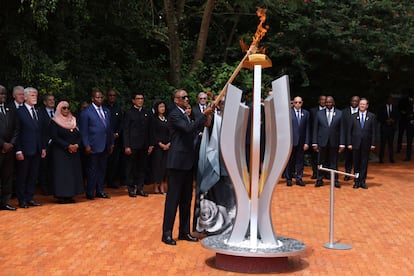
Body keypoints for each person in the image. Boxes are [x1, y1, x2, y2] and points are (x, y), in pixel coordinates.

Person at [161, 89, 213, 246]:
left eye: (187, 96)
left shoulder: (186, 115)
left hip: (188, 162)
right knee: (173, 199)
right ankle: (167, 233)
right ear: (176, 100)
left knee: (186, 200)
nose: (186, 99)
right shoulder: (174, 114)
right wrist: (203, 115)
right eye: (183, 97)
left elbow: (202, 125)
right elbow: (188, 129)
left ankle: (184, 231)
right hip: (177, 163)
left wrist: (208, 113)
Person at [193, 99, 235, 235]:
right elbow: (207, 123)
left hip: (229, 164)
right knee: (211, 193)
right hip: (214, 163)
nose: (224, 107)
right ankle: (209, 227)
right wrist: (209, 113)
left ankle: (227, 226)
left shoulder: (234, 120)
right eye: (222, 104)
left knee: (227, 196)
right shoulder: (215, 119)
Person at [15, 87, 47, 208]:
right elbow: (17, 132)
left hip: (37, 149)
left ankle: (30, 197)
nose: (35, 97)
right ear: (25, 96)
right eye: (32, 95)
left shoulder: (38, 111)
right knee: (23, 175)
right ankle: (21, 199)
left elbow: (42, 132)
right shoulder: (19, 111)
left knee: (33, 175)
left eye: (36, 95)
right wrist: (18, 150)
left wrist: (43, 148)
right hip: (24, 149)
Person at [79, 89, 114, 200]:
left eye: (101, 97)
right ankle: (90, 191)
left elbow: (109, 129)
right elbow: (83, 131)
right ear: (93, 98)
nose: (99, 99)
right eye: (97, 97)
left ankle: (100, 190)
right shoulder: (86, 112)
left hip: (105, 144)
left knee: (102, 169)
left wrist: (111, 142)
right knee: (92, 170)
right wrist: (86, 145)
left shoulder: (106, 111)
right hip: (93, 145)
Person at [49, 101, 84, 203]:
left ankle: (70, 195)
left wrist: (77, 145)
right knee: (62, 174)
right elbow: (54, 136)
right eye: (64, 108)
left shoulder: (73, 120)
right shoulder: (54, 121)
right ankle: (61, 196)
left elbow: (79, 134)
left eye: (68, 108)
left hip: (74, 152)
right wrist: (67, 146)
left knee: (72, 173)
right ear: (59, 109)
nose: (66, 110)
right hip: (60, 152)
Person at [123, 92, 153, 197]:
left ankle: (140, 188)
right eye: (138, 98)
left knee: (142, 167)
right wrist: (127, 145)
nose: (140, 100)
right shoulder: (129, 113)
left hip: (144, 145)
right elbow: (126, 130)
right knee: (131, 167)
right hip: (132, 145)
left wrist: (150, 145)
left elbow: (150, 130)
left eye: (142, 98)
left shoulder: (147, 113)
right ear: (133, 100)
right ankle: (131, 188)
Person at [312, 96, 345, 188]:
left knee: (333, 162)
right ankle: (319, 179)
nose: (328, 104)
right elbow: (315, 129)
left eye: (330, 102)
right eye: (327, 102)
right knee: (320, 161)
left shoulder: (339, 113)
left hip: (334, 141)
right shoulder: (319, 113)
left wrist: (342, 143)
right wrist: (314, 142)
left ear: (333, 103)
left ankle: (335, 180)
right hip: (322, 141)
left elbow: (342, 129)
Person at [347, 98, 376, 189]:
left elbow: (374, 131)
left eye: (364, 104)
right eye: (361, 104)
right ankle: (356, 181)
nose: (362, 106)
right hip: (355, 143)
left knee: (364, 163)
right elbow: (349, 131)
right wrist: (349, 143)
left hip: (366, 144)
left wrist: (373, 143)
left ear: (367, 106)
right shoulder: (353, 116)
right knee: (356, 163)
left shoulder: (371, 116)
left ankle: (362, 181)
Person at [284, 96, 310, 186]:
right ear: (293, 103)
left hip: (301, 142)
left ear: (302, 103)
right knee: (290, 160)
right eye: (296, 102)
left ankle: (299, 178)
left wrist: (307, 142)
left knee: (300, 160)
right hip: (291, 141)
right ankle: (289, 178)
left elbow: (307, 129)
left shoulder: (306, 113)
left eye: (299, 102)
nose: (297, 104)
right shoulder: (288, 113)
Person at [0, 85, 18, 211]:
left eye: (5, 94)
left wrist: (11, 143)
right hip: (0, 148)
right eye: (1, 94)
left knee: (8, 176)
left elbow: (17, 128)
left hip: (9, 149)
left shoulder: (10, 109)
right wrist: (2, 144)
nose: (4, 96)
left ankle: (5, 202)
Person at [104, 89, 123, 188]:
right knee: (104, 160)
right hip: (105, 139)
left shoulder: (118, 108)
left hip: (116, 139)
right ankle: (103, 181)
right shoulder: (103, 108)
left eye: (114, 95)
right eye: (110, 95)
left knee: (114, 161)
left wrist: (117, 133)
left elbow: (121, 123)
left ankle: (112, 181)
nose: (112, 97)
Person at [151, 100, 170, 194]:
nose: (162, 108)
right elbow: (153, 133)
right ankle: (155, 185)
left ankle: (162, 184)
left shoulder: (167, 118)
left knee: (165, 166)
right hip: (158, 146)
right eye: (160, 107)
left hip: (167, 146)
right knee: (157, 166)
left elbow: (171, 132)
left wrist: (169, 143)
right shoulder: (154, 119)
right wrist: (160, 144)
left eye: (163, 106)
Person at [38, 93, 55, 195]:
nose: (52, 101)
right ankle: (44, 187)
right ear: (45, 102)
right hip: (45, 144)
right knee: (44, 167)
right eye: (49, 100)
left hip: (56, 145)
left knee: (54, 166)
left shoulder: (58, 112)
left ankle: (53, 186)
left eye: (53, 99)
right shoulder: (40, 113)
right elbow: (39, 130)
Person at [342, 96, 360, 181]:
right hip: (348, 138)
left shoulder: (362, 112)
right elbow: (343, 127)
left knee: (357, 158)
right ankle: (347, 173)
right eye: (353, 101)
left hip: (358, 139)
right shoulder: (344, 112)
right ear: (350, 101)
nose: (354, 102)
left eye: (356, 101)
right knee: (348, 158)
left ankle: (357, 174)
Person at [309, 95, 326, 179]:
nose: (323, 101)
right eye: (322, 100)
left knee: (325, 157)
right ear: (319, 101)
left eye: (325, 100)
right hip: (315, 137)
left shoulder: (329, 111)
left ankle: (325, 173)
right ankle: (315, 173)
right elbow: (311, 126)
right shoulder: (313, 111)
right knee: (314, 157)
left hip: (325, 138)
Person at [377, 95, 399, 163]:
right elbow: (379, 117)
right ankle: (381, 158)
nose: (390, 100)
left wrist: (393, 120)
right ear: (386, 100)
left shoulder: (395, 107)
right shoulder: (381, 107)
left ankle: (391, 158)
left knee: (391, 144)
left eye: (391, 99)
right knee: (383, 143)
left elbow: (397, 116)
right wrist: (385, 121)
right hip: (384, 127)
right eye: (389, 99)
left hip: (392, 128)